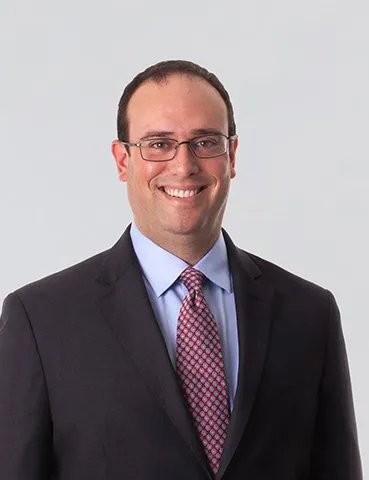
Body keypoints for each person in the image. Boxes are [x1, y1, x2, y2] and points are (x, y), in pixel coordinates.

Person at [0, 60, 362, 480]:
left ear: (232, 156)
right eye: (158, 143)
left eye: (206, 142)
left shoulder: (309, 313)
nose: (184, 165)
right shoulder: (41, 320)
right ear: (122, 161)